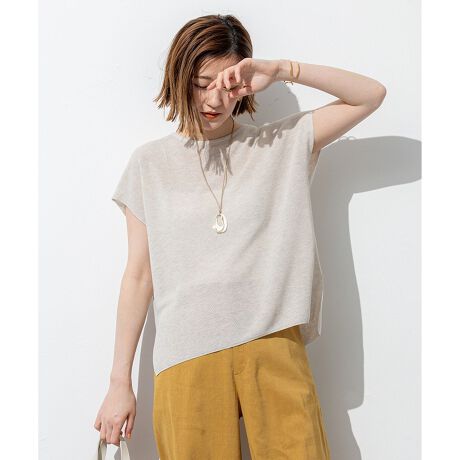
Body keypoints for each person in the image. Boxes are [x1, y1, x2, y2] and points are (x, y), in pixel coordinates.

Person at [94, 13, 386, 459]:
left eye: (228, 86)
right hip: (187, 355)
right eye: (201, 83)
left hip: (273, 344)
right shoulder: (149, 165)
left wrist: (282, 69)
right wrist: (120, 382)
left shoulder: (279, 144)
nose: (214, 99)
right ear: (178, 78)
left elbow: (370, 95)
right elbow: (139, 276)